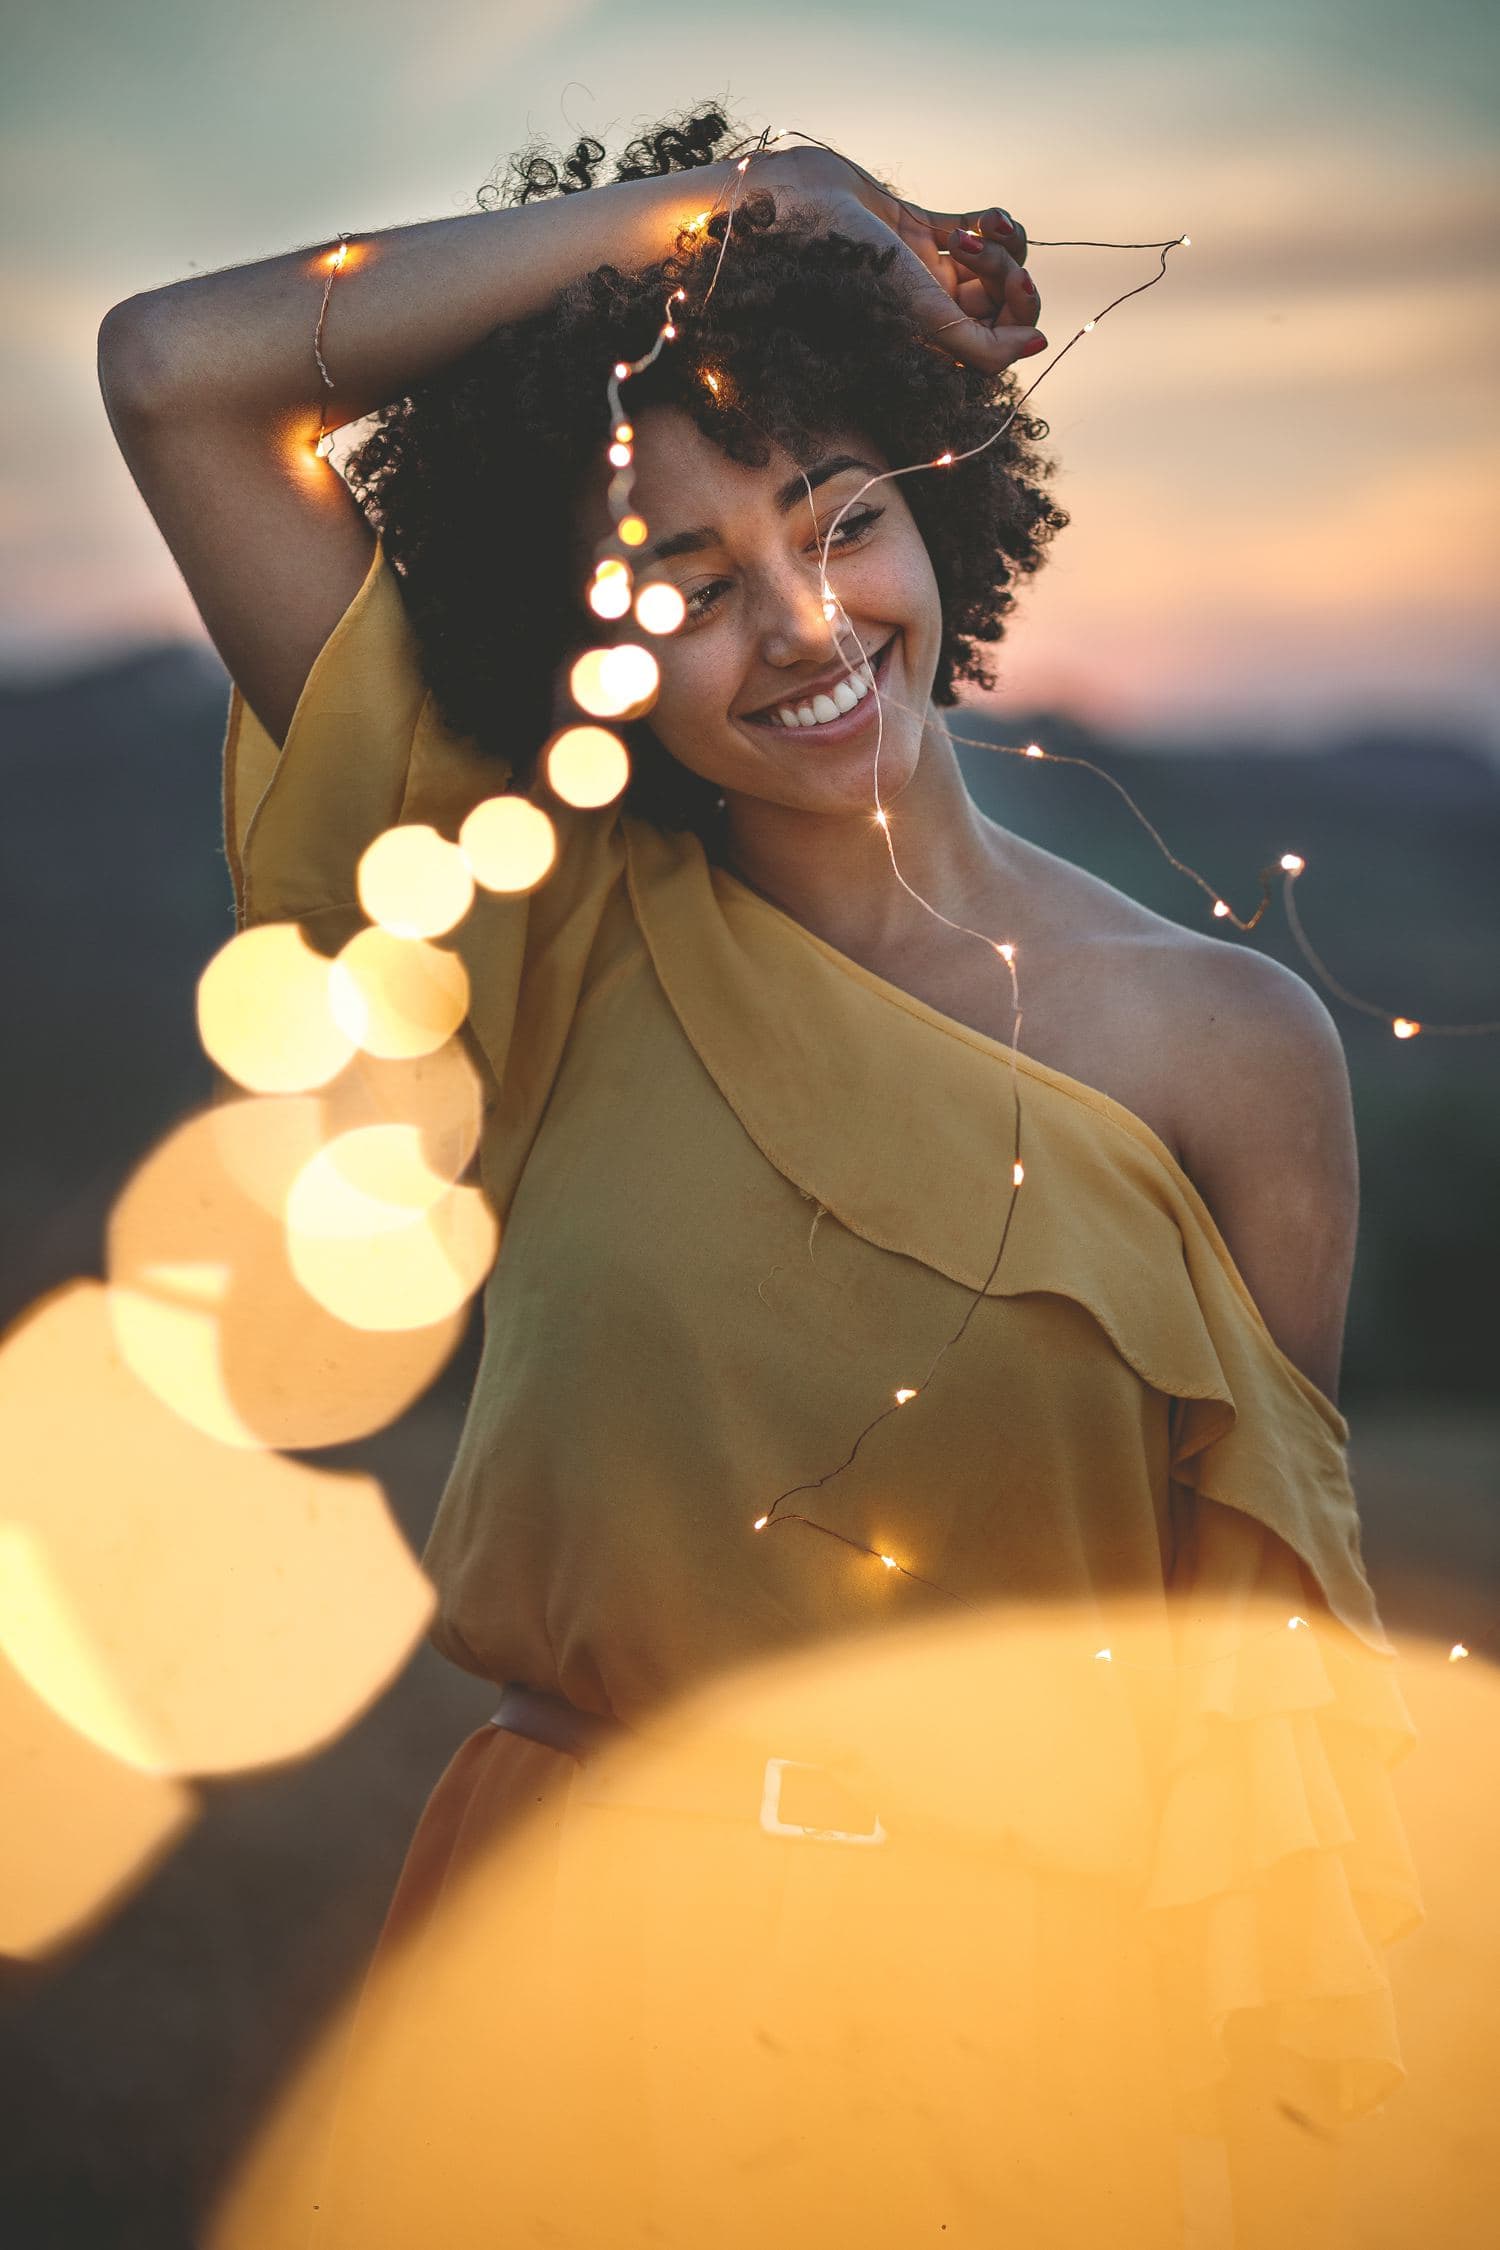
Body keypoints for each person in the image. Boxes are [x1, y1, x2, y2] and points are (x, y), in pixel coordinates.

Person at [98, 102, 1422, 2249]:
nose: (803, 627)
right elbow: (177, 370)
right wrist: (737, 216)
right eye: (688, 584)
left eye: (843, 521)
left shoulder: (1236, 1055)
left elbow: (1251, 1678)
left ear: (945, 517)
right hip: (566, 1963)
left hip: (1025, 2013)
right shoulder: (534, 930)